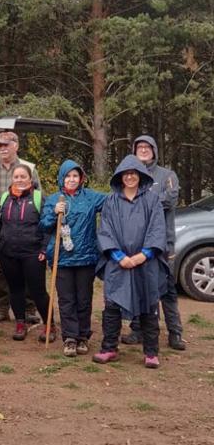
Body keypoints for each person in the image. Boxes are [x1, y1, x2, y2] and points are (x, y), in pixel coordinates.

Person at [94, 155, 168, 369]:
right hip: (118, 262)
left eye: (133, 173)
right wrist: (119, 257)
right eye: (126, 174)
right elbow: (105, 230)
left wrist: (143, 255)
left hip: (146, 261)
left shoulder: (152, 200)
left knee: (149, 304)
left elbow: (157, 228)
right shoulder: (111, 201)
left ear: (140, 176)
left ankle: (151, 352)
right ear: (120, 177)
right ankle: (109, 348)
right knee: (112, 305)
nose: (130, 177)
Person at [122, 135, 185, 351]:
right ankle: (138, 330)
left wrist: (141, 200)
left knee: (167, 289)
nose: (143, 150)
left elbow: (170, 199)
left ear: (154, 150)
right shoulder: (130, 176)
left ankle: (175, 333)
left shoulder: (167, 175)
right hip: (136, 244)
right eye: (139, 147)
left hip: (162, 242)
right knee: (138, 287)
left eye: (147, 147)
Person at [40, 160, 106, 357]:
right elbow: (43, 226)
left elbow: (114, 202)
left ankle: (83, 336)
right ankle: (70, 337)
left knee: (84, 299)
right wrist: (54, 214)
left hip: (86, 257)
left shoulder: (91, 197)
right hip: (62, 258)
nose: (71, 179)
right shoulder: (54, 199)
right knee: (66, 299)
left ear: (81, 178)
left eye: (75, 176)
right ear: (62, 178)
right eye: (68, 176)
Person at [0, 131, 41, 324]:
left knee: (27, 271)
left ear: (16, 145)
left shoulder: (30, 168)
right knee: (1, 271)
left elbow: (39, 199)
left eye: (6, 144)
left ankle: (29, 309)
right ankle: (2, 307)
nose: (3, 148)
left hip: (26, 232)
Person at [0, 165, 53, 342]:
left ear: (30, 178)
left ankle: (50, 325)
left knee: (37, 291)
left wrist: (44, 249)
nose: (19, 179)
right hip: (8, 252)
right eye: (16, 176)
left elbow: (48, 227)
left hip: (33, 252)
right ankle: (20, 323)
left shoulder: (39, 197)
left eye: (22, 176)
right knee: (15, 289)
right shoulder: (5, 198)